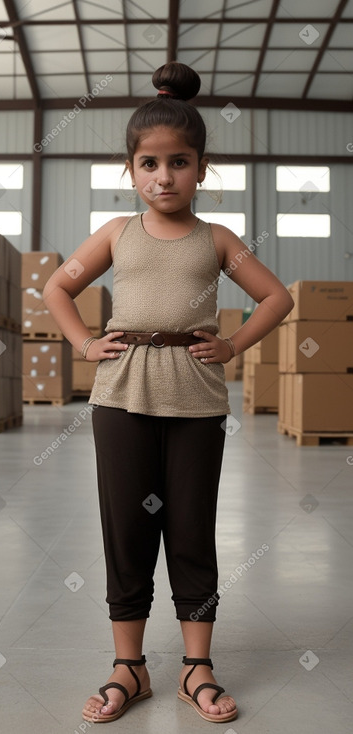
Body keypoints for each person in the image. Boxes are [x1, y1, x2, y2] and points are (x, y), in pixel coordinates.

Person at [43, 61, 294, 725]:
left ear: (200, 169)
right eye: (149, 164)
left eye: (178, 163)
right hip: (120, 399)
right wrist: (83, 344)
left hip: (196, 403)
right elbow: (57, 288)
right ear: (131, 168)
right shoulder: (114, 234)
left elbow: (276, 297)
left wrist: (234, 346)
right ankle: (129, 666)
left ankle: (195, 667)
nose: (163, 177)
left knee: (190, 530)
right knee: (126, 530)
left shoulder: (216, 240)